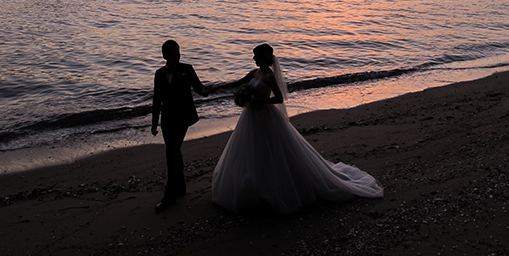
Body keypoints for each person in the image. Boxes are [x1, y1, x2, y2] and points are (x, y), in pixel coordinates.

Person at [211, 43, 383, 215]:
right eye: (253, 56)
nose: (253, 58)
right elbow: (236, 83)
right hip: (250, 117)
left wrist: (259, 101)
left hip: (265, 116)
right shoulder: (254, 73)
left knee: (271, 151)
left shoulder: (269, 76)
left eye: (256, 56)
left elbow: (279, 99)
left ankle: (274, 188)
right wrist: (217, 87)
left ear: (264, 57)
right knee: (249, 151)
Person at [151, 39, 209, 211]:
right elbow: (156, 100)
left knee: (171, 152)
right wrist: (154, 124)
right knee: (174, 150)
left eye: (178, 53)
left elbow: (200, 89)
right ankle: (181, 186)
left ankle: (169, 195)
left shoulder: (187, 69)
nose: (176, 57)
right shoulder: (159, 74)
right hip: (167, 119)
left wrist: (212, 90)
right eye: (172, 54)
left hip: (183, 118)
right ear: (164, 56)